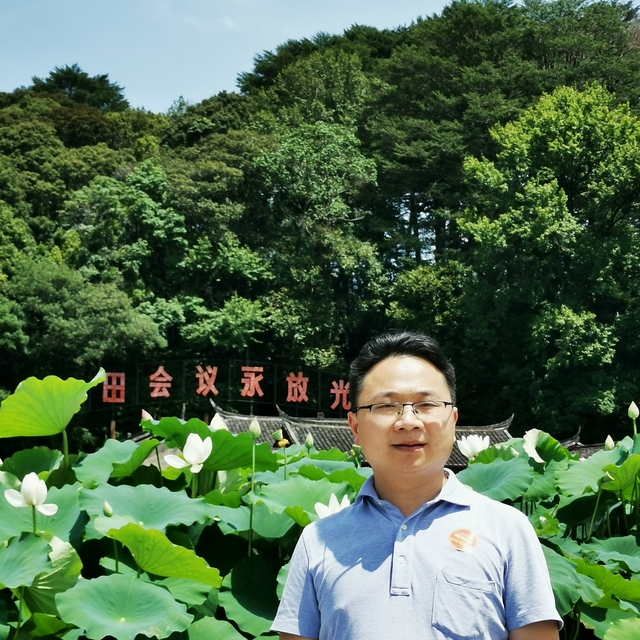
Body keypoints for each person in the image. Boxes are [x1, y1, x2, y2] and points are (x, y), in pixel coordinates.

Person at [271, 330, 562, 640]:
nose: (408, 421)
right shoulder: (318, 541)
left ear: (453, 420)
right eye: (386, 406)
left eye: (426, 404)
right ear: (355, 427)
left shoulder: (507, 530)